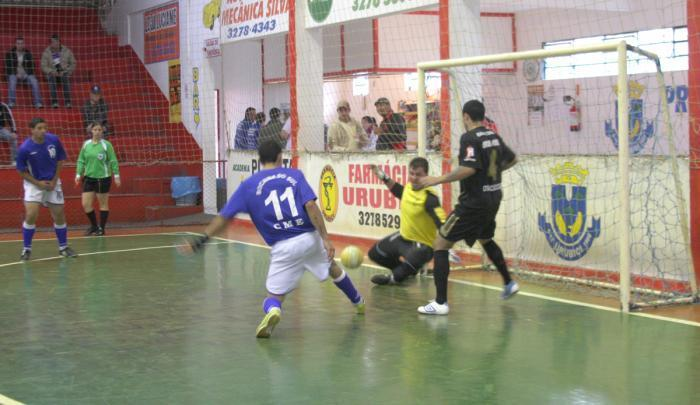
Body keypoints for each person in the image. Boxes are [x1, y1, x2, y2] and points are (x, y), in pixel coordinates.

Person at [180, 140, 365, 338]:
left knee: (274, 297)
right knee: (331, 267)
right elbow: (311, 206)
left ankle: (274, 310)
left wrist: (202, 240)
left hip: (283, 247)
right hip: (309, 239)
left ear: (260, 160)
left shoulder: (248, 186)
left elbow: (224, 217)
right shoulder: (295, 175)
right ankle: (359, 302)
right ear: (280, 157)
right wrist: (325, 238)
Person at [414, 100, 519, 315]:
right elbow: (512, 160)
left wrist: (437, 179)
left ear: (466, 117)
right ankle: (509, 283)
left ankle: (441, 302)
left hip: (473, 203)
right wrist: (491, 176)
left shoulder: (469, 138)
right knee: (486, 238)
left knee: (441, 243)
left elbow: (468, 168)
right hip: (494, 197)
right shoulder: (493, 136)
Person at [368, 158, 446, 285]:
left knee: (415, 259)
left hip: (423, 245)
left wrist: (446, 245)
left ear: (426, 176)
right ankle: (407, 270)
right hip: (403, 238)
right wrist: (380, 174)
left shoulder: (430, 198)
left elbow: (442, 223)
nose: (414, 178)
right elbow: (397, 190)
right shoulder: (409, 188)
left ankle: (394, 278)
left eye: (418, 175)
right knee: (375, 253)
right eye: (411, 174)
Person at [16, 117, 78, 260]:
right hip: (34, 184)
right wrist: (38, 183)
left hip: (52, 182)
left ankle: (63, 247)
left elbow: (60, 160)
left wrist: (55, 180)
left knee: (59, 214)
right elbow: (21, 171)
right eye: (39, 128)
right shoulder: (25, 148)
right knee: (31, 215)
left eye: (45, 128)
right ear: (32, 130)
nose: (43, 131)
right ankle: (26, 249)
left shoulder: (54, 140)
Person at [75, 122, 121, 236]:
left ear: (102, 131)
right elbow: (81, 160)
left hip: (103, 178)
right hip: (88, 178)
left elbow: (113, 160)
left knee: (103, 204)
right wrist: (78, 174)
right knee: (86, 204)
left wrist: (116, 176)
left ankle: (102, 228)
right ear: (91, 131)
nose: (97, 132)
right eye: (95, 129)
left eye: (99, 130)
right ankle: (94, 226)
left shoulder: (106, 145)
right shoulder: (86, 144)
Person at [4, 36, 43, 108]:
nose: (20, 45)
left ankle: (37, 103)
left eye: (21, 43)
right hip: (14, 74)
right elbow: (8, 67)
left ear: (24, 44)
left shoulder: (28, 53)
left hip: (26, 74)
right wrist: (16, 73)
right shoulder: (10, 53)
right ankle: (11, 103)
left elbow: (32, 66)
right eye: (18, 43)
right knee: (12, 81)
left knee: (34, 81)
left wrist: (26, 73)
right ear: (15, 44)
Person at [41, 34, 76, 108]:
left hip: (63, 73)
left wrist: (66, 72)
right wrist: (51, 71)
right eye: (53, 42)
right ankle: (54, 102)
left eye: (57, 42)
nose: (55, 44)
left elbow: (73, 63)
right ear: (50, 43)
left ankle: (68, 102)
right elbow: (43, 66)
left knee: (65, 77)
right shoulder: (46, 52)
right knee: (51, 78)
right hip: (52, 73)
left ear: (60, 42)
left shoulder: (67, 51)